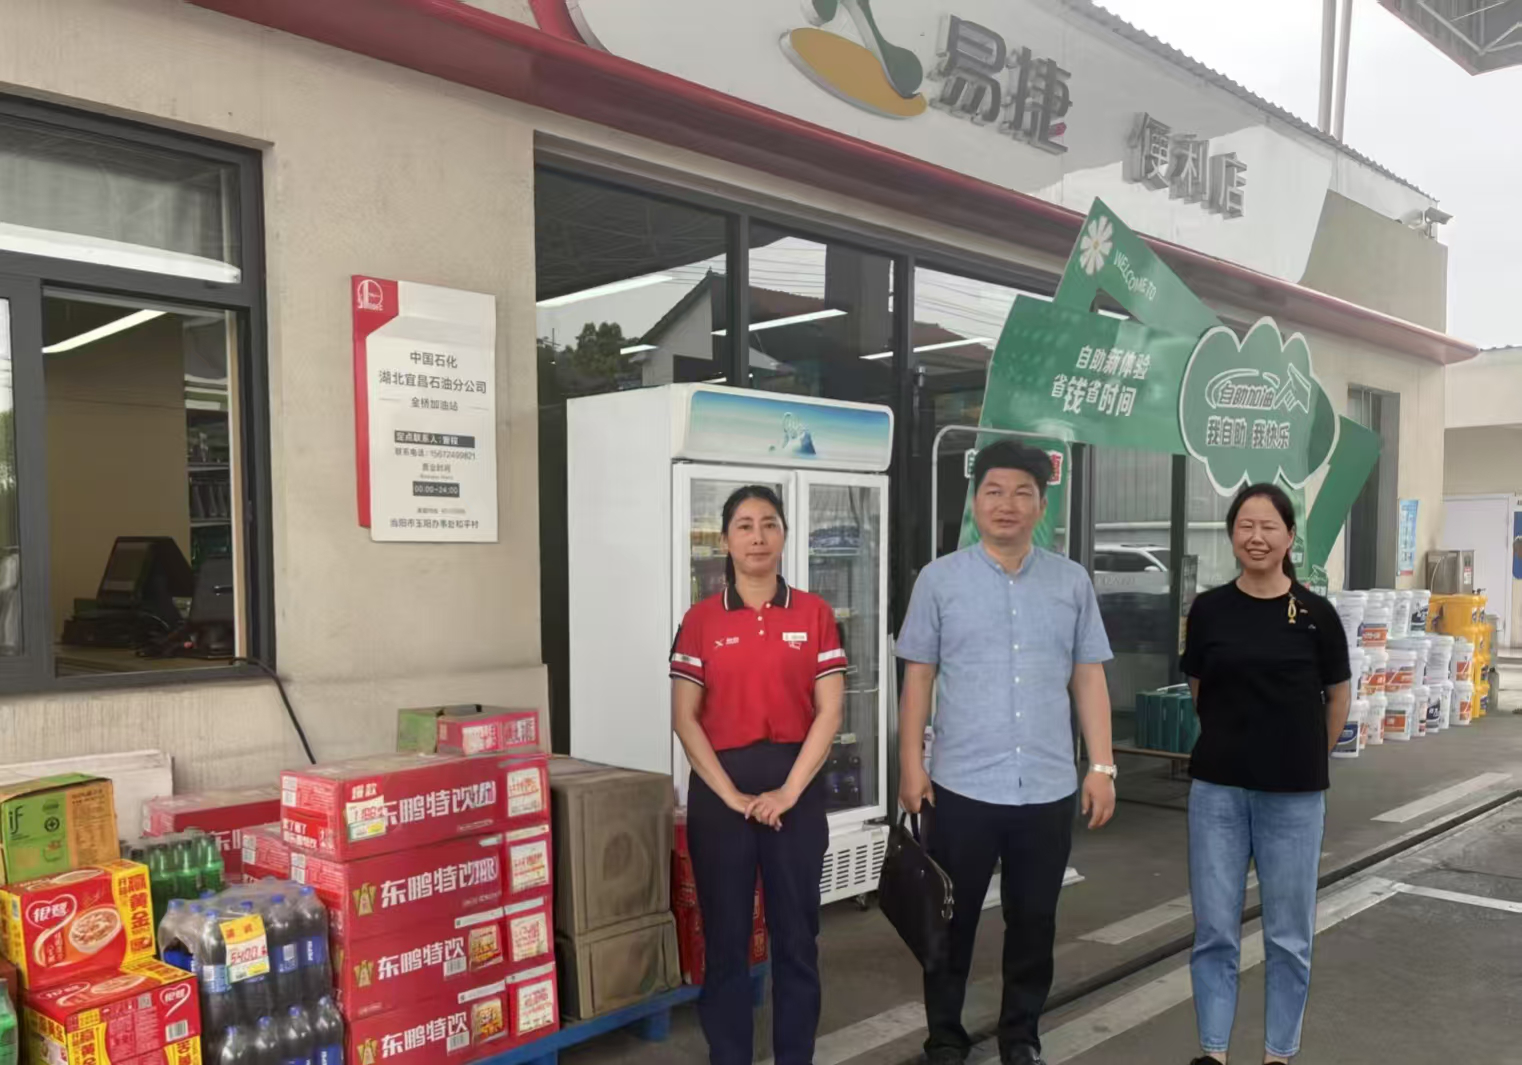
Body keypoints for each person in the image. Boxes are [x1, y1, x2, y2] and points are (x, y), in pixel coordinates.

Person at [897, 441, 1117, 1065]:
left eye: (1023, 493)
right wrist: (911, 764)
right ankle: (945, 1037)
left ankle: (1021, 1036)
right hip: (961, 785)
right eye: (994, 491)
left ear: (1040, 506)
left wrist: (1101, 766)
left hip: (1047, 787)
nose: (1007, 504)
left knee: (1035, 920)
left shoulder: (1070, 582)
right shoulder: (939, 580)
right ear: (975, 501)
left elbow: (1088, 677)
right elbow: (918, 677)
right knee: (950, 920)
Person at [670, 485, 846, 1065]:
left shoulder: (814, 614)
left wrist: (788, 792)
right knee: (725, 941)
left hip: (795, 786)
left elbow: (830, 711)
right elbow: (685, 719)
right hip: (722, 791)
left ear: (784, 535)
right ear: (725, 540)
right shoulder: (700, 621)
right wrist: (731, 796)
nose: (757, 537)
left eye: (769, 524)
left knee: (796, 938)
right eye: (744, 526)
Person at [1180, 483, 1351, 1065]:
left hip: (1294, 797)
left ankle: (1279, 1054)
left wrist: (1306, 754)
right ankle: (1213, 1051)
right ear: (1232, 534)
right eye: (1245, 526)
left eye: (1268, 526)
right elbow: (1199, 688)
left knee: (1288, 936)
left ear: (1289, 536)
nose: (1256, 537)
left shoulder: (1316, 615)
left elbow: (1338, 696)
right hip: (1218, 791)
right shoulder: (1209, 610)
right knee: (1214, 931)